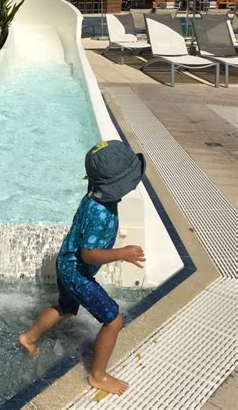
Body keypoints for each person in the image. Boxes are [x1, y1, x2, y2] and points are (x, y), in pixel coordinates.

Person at [19, 140, 146, 396]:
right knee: (113, 320)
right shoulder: (100, 212)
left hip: (67, 263)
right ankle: (98, 375)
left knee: (66, 307)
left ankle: (28, 338)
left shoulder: (94, 198)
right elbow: (88, 254)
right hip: (77, 272)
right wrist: (121, 253)